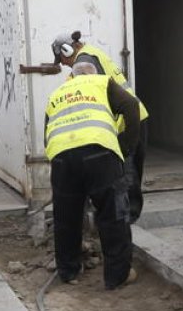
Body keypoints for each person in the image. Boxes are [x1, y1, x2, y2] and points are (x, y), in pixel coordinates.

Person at [45, 60, 141, 289]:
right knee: (112, 214)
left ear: (73, 77)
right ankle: (117, 276)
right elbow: (131, 106)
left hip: (61, 157)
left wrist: (59, 163)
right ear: (92, 73)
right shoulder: (101, 82)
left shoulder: (57, 93)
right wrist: (124, 148)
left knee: (66, 217)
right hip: (99, 154)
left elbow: (48, 132)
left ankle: (69, 272)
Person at [51, 31, 149, 223]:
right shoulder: (91, 54)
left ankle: (126, 220)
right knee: (129, 170)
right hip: (133, 116)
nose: (62, 63)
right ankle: (126, 217)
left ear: (67, 49)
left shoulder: (85, 61)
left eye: (60, 57)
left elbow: (96, 93)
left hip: (126, 120)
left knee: (126, 171)